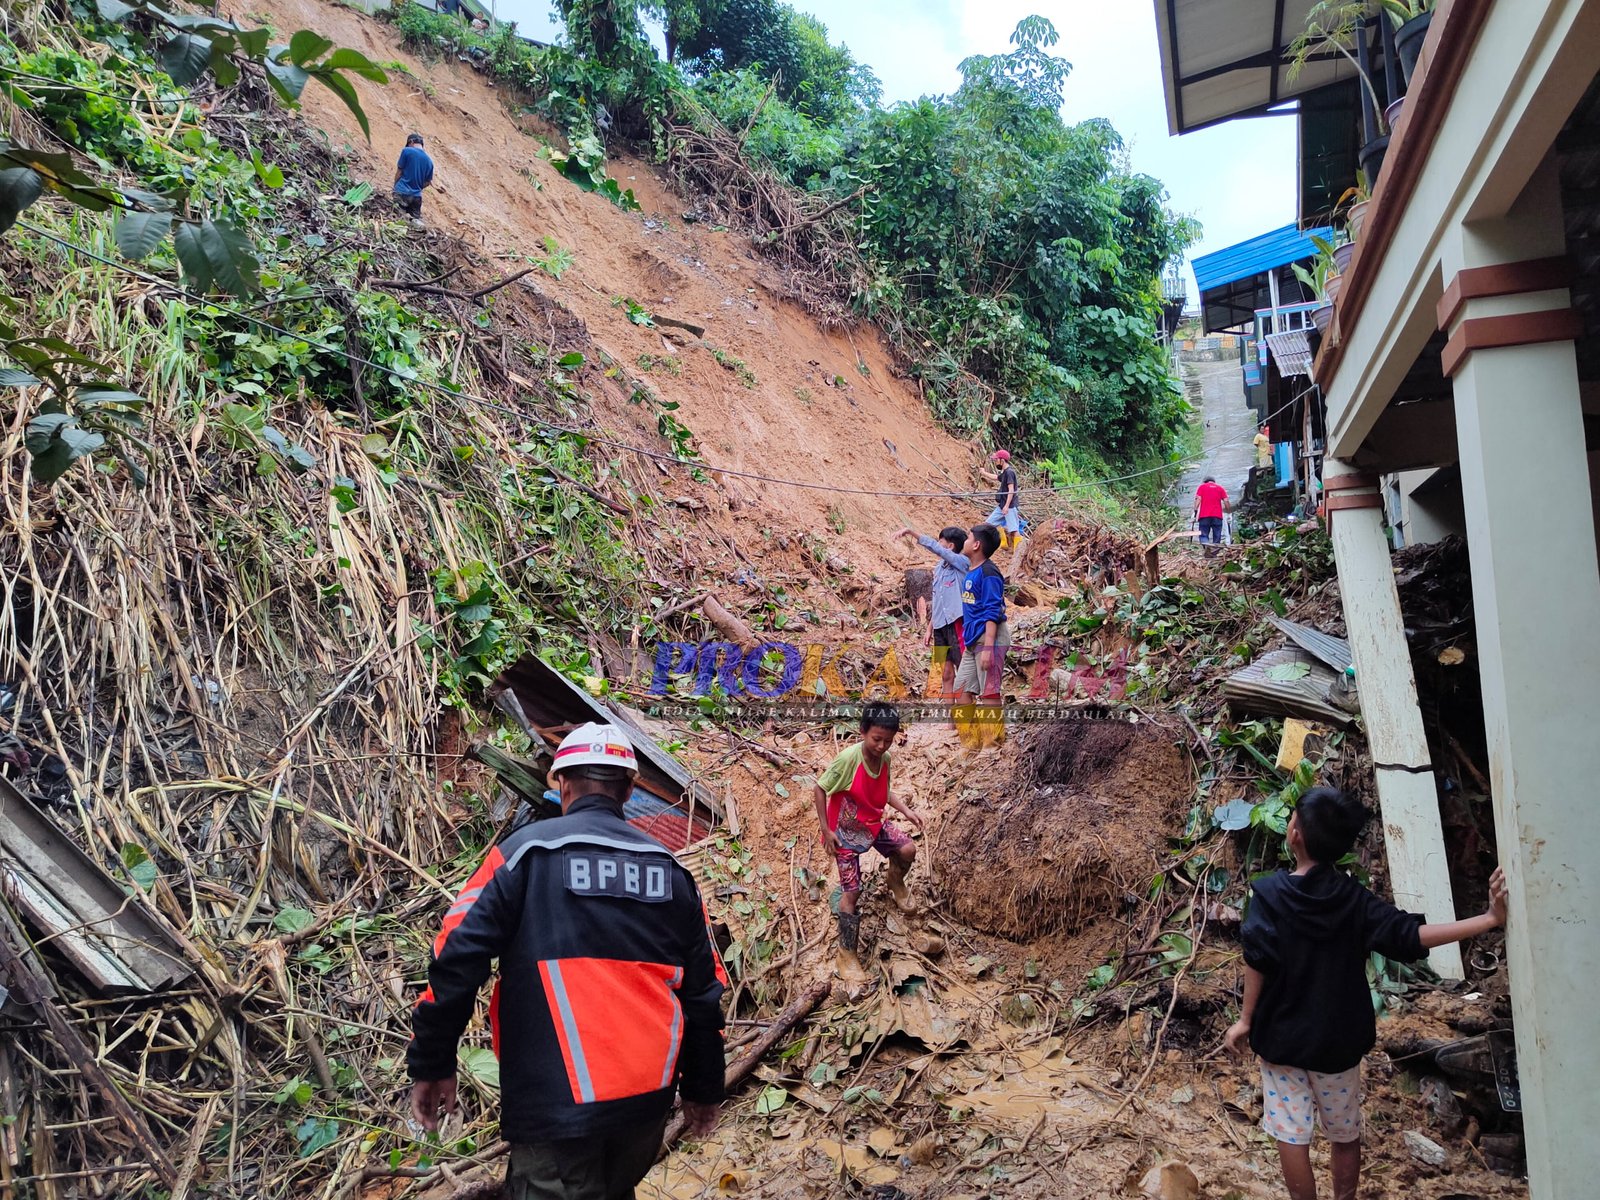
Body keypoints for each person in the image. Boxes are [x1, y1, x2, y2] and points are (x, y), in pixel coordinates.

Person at [409, 722, 726, 1200]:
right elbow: (704, 993)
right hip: (646, 1105)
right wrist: (704, 1089)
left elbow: (456, 958)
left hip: (556, 1105)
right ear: (628, 788)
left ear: (563, 783)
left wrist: (432, 1062)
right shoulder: (672, 872)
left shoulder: (522, 855)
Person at [1224, 787, 1508, 1200]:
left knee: (1291, 1135)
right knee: (1344, 1135)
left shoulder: (1268, 896)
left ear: (1295, 835)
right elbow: (1412, 936)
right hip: (1337, 1045)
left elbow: (1256, 960)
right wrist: (1486, 919)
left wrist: (1246, 1021)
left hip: (1281, 1039)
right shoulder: (1354, 901)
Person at [812, 703, 924, 981]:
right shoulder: (848, 759)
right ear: (863, 732)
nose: (882, 746)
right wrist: (827, 831)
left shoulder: (885, 759)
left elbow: (884, 791)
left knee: (907, 849)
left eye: (888, 740)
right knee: (852, 892)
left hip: (873, 823)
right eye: (876, 739)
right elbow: (819, 788)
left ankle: (895, 883)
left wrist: (907, 811)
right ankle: (846, 954)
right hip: (845, 833)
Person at [897, 525, 969, 701]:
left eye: (940, 541)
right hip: (940, 627)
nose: (938, 544)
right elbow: (938, 599)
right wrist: (930, 627)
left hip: (956, 623)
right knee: (945, 673)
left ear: (950, 546)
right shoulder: (939, 568)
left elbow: (936, 549)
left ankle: (967, 715)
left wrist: (912, 532)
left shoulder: (962, 563)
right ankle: (950, 720)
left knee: (963, 670)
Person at [980, 450, 1022, 551]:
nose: (996, 462)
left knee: (1014, 530)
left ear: (1002, 460)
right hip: (1002, 505)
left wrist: (1007, 506)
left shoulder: (1010, 473)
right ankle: (1003, 542)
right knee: (988, 524)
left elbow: (1011, 490)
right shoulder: (1005, 473)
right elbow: (996, 477)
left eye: (997, 460)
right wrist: (984, 473)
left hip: (1009, 506)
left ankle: (1018, 553)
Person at [393, 133, 434, 224]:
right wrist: (418, 187)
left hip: (402, 191)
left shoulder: (407, 151)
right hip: (417, 197)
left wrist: (395, 186)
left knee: (397, 221)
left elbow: (399, 172)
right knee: (414, 225)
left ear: (411, 142)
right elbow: (428, 182)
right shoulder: (429, 161)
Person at [1193, 475, 1230, 556]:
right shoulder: (1220, 488)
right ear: (1214, 481)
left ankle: (1206, 546)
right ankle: (1214, 551)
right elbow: (1226, 501)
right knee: (1217, 535)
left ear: (1205, 481)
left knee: (1203, 534)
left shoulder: (1202, 487)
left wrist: (1195, 510)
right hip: (1217, 516)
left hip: (1204, 516)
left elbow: (1198, 499)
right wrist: (1228, 512)